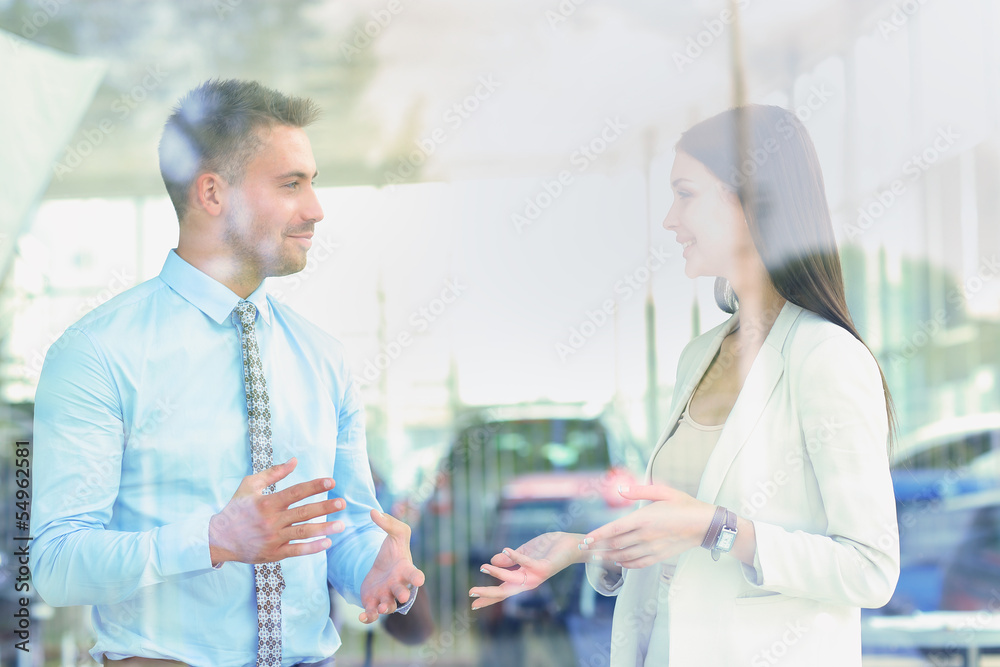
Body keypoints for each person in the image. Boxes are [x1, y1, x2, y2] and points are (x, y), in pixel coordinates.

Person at [469, 105, 900, 666]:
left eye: (686, 193)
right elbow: (682, 537)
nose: (671, 219)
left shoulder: (826, 358)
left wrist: (719, 528)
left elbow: (871, 570)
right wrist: (578, 549)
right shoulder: (699, 356)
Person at [30, 79, 424, 667]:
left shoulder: (324, 357)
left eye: (312, 183)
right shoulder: (96, 353)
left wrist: (375, 566)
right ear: (212, 193)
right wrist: (211, 540)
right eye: (291, 184)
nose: (315, 209)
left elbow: (341, 530)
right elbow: (58, 567)